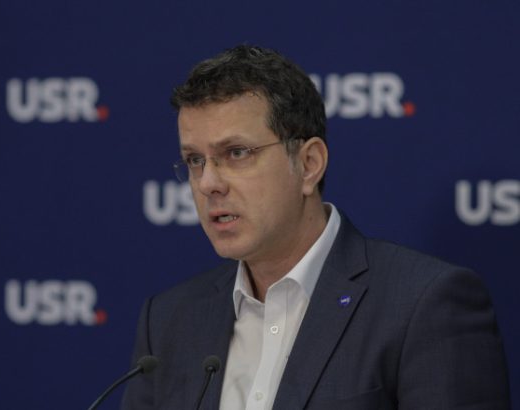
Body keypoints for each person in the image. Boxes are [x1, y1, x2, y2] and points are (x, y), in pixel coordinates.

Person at [121, 45, 510, 409]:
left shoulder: (421, 304)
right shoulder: (169, 320)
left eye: (236, 153)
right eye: (194, 160)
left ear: (309, 164)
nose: (208, 183)